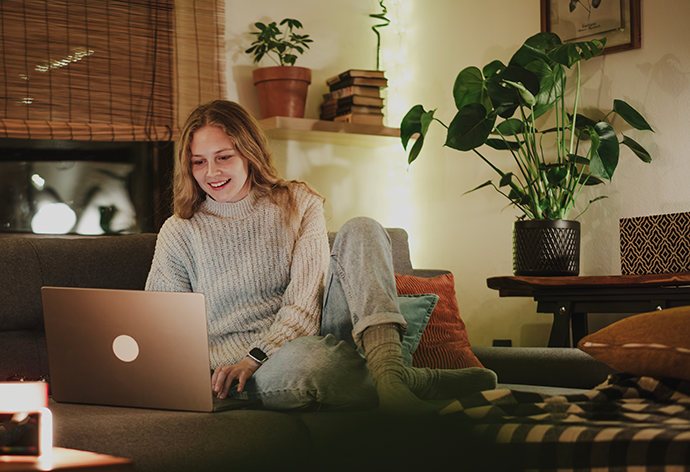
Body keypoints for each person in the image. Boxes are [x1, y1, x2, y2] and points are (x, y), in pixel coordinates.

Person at [145, 99, 497, 416]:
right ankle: (410, 380)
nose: (212, 173)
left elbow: (303, 308)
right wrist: (242, 363)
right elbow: (164, 330)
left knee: (364, 227)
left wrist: (258, 353)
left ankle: (390, 380)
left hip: (309, 333)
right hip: (252, 367)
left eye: (224, 157)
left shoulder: (298, 202)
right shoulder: (179, 231)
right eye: (198, 162)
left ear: (249, 153)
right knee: (313, 363)